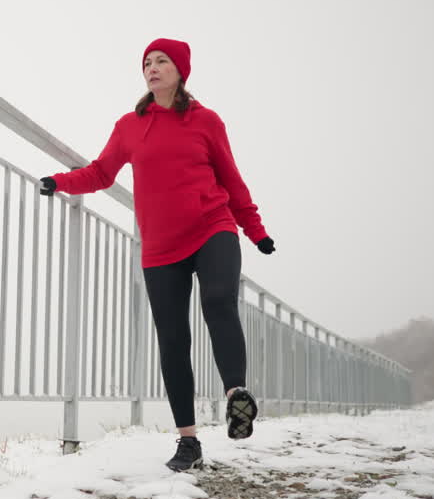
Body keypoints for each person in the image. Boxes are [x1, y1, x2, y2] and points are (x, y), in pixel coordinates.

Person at [39, 38, 274, 472]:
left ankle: (236, 395)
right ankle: (188, 442)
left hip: (212, 226)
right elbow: (101, 172)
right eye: (147, 62)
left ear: (180, 70)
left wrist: (254, 230)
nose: (152, 67)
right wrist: (59, 181)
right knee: (172, 337)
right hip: (162, 244)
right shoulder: (130, 125)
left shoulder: (206, 122)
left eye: (161, 60)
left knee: (219, 300)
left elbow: (232, 180)